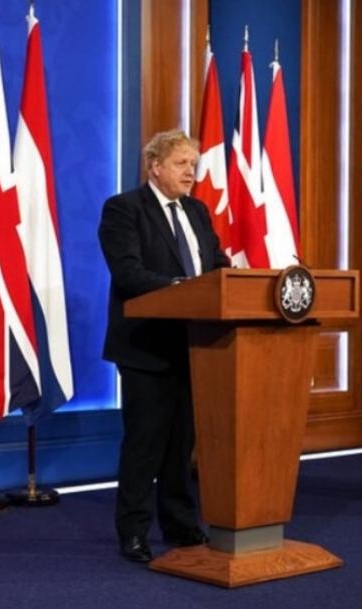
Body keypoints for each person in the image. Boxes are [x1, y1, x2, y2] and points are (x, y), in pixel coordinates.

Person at [98, 129, 229, 562]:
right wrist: (182, 288)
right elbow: (128, 273)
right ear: (155, 167)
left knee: (181, 444)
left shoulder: (198, 211)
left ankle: (179, 523)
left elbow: (216, 265)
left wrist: (231, 281)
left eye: (193, 164)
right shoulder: (124, 209)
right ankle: (133, 531)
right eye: (181, 164)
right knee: (145, 444)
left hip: (194, 346)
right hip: (146, 346)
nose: (191, 172)